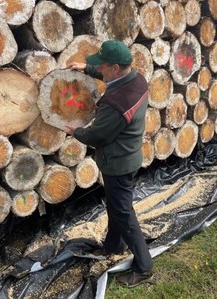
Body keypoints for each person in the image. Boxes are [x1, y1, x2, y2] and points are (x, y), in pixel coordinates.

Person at [65, 39, 153, 288]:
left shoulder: (116, 104)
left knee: (124, 213)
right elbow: (110, 78)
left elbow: (98, 136)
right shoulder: (137, 80)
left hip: (118, 163)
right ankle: (114, 245)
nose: (98, 68)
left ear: (114, 67)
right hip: (128, 156)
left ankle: (144, 267)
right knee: (116, 206)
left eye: (101, 65)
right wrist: (87, 68)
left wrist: (76, 132)